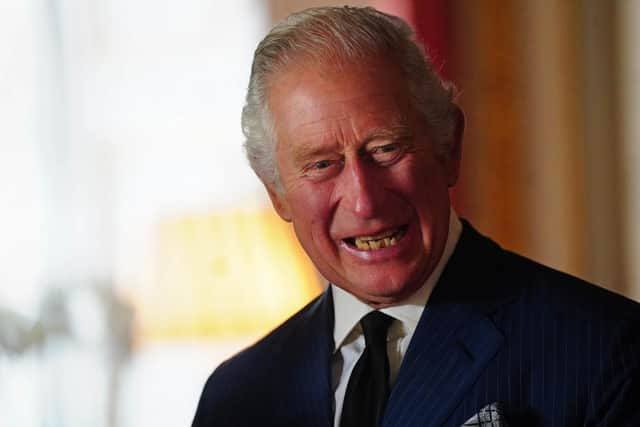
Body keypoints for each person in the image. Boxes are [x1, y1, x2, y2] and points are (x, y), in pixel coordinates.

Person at [192, 6, 640, 427]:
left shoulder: (605, 352)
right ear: (277, 193)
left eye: (386, 149)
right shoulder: (237, 396)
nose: (364, 202)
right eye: (322, 164)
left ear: (449, 147)